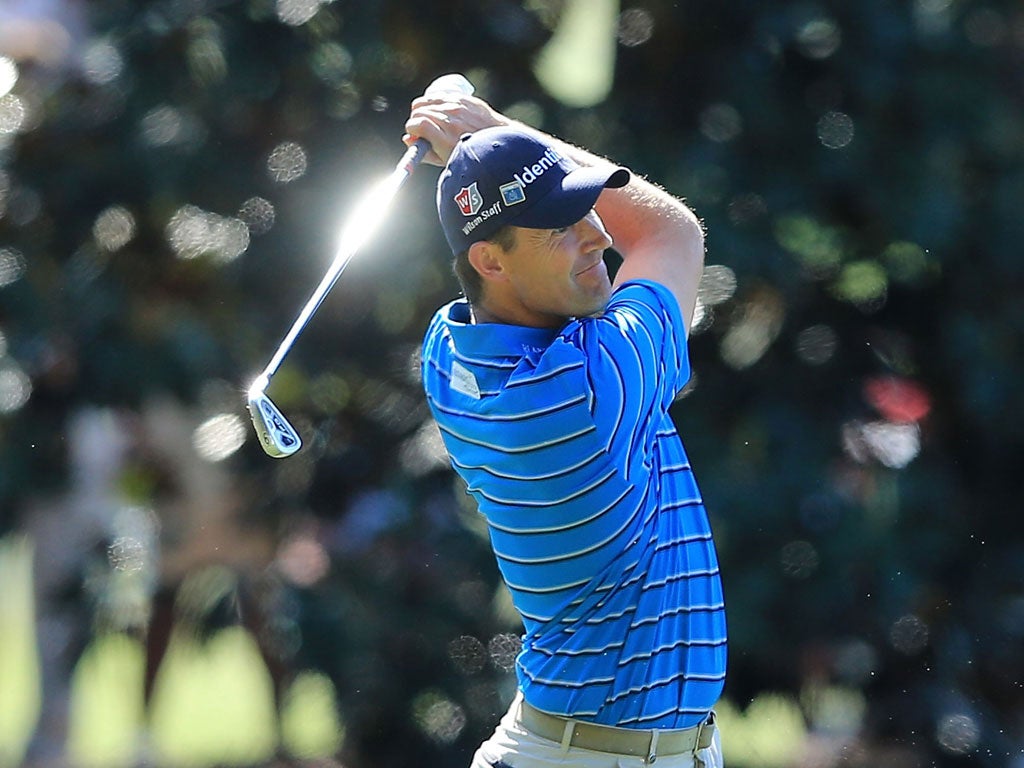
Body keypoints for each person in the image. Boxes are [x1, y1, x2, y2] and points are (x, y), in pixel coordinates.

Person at [404, 86, 727, 768]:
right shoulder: (584, 389)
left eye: (584, 206)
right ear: (491, 261)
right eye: (563, 225)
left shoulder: (448, 358)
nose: (598, 235)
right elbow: (670, 232)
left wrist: (492, 163)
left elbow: (496, 278)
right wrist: (493, 128)